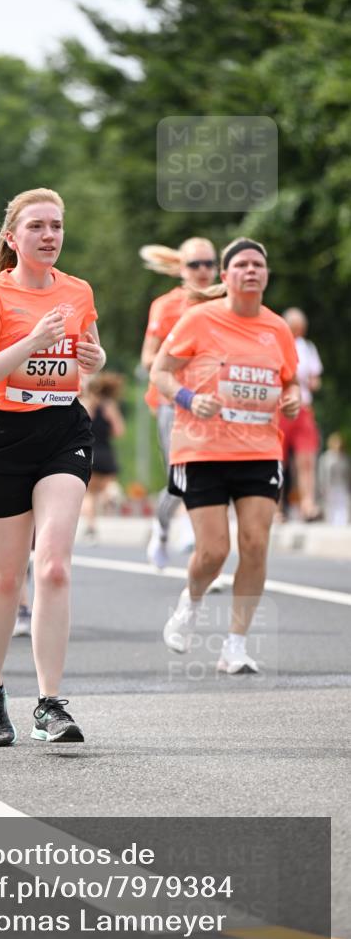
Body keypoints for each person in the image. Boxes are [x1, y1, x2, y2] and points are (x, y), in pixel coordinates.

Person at [0, 187, 105, 745]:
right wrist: (31, 342)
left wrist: (96, 357)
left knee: (55, 567)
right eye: (37, 226)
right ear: (12, 237)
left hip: (64, 429)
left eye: (56, 226)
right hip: (5, 436)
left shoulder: (78, 290)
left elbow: (89, 353)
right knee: (4, 575)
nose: (49, 236)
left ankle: (50, 703)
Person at [150, 238, 300, 674]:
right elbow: (160, 370)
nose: (251, 271)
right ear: (226, 276)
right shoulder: (199, 319)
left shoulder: (277, 328)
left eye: (258, 264)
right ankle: (190, 602)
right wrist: (187, 397)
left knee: (255, 544)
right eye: (242, 265)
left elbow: (289, 381)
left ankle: (235, 645)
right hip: (202, 448)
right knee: (213, 551)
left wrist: (291, 399)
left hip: (258, 449)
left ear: (266, 275)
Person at [139, 238, 218, 568]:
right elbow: (148, 360)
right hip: (174, 401)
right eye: (194, 265)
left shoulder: (224, 302)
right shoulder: (166, 306)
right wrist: (184, 361)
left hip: (213, 403)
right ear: (181, 269)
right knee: (179, 478)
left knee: (213, 475)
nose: (202, 271)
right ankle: (162, 529)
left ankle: (202, 554)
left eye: (208, 264)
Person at [280, 307, 323, 521]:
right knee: (277, 460)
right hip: (281, 407)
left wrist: (308, 381)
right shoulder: (278, 343)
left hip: (303, 408)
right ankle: (276, 508)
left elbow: (315, 378)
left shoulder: (307, 348)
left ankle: (308, 504)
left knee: (306, 458)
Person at [80, 372, 125, 541]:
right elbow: (119, 431)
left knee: (89, 494)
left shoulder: (85, 405)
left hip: (89, 452)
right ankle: (111, 496)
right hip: (106, 452)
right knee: (108, 485)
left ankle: (91, 528)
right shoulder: (109, 406)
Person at [318, 433, 350, 525]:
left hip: (342, 486)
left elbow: (347, 474)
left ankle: (342, 523)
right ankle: (331, 523)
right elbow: (323, 474)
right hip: (330, 486)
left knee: (342, 505)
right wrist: (323, 486)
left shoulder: (344, 458)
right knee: (330, 505)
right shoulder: (326, 458)